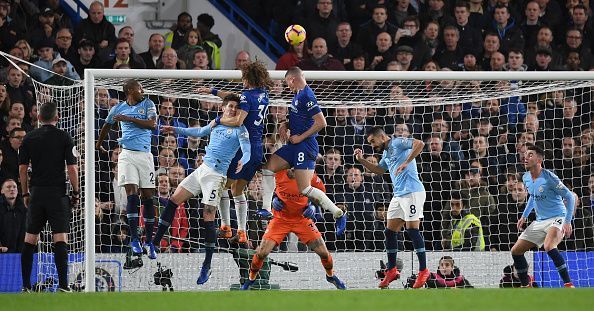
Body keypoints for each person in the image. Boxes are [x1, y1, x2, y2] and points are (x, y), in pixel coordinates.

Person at [151, 94, 251, 285]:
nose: (232, 109)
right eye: (229, 106)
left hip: (216, 176)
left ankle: (207, 265)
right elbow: (198, 132)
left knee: (208, 216)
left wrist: (242, 161)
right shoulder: (216, 123)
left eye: (235, 107)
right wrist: (175, 129)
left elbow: (247, 151)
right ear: (223, 108)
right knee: (173, 200)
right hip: (202, 170)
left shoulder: (241, 129)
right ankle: (154, 243)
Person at [260, 67, 344, 231]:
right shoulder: (298, 95)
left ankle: (338, 213)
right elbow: (301, 118)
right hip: (294, 145)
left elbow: (321, 123)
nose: (287, 86)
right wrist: (286, 123)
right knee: (268, 168)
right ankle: (266, 209)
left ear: (292, 79)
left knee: (304, 189)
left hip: (305, 146)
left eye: (287, 83)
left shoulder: (307, 95)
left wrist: (300, 137)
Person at [198, 61, 273, 243]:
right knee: (237, 189)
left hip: (242, 149)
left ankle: (225, 227)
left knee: (223, 186)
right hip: (256, 150)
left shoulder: (247, 96)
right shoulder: (263, 94)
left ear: (248, 78)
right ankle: (241, 232)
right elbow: (236, 97)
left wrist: (218, 121)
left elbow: (239, 121)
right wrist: (213, 91)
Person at [240, 168, 346, 290]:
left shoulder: (311, 176)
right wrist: (274, 198)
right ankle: (251, 279)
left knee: (324, 253)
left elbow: (321, 197)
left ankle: (330, 276)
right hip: (280, 219)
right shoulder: (278, 172)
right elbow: (268, 188)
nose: (291, 170)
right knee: (261, 253)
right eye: (289, 166)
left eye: (294, 168)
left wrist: (313, 207)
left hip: (301, 219)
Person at [354, 126, 429, 289]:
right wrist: (361, 160)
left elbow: (420, 143)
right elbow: (379, 170)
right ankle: (392, 270)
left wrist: (406, 162)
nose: (372, 145)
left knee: (412, 230)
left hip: (412, 192)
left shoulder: (397, 142)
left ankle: (424, 270)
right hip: (399, 195)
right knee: (389, 231)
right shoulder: (386, 153)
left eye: (373, 141)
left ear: (381, 137)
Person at [19, 102, 79, 292]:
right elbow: (72, 168)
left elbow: (22, 169)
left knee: (30, 239)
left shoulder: (28, 138)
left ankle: (26, 286)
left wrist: (25, 192)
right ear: (57, 117)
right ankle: (63, 285)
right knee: (60, 238)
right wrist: (76, 191)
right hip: (57, 193)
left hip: (36, 193)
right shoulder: (64, 137)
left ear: (38, 118)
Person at [95, 79, 158, 258]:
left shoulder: (148, 103)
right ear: (131, 90)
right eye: (140, 87)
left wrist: (128, 118)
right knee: (131, 192)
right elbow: (107, 125)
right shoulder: (119, 108)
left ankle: (150, 241)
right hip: (127, 155)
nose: (143, 90)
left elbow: (152, 125)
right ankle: (134, 239)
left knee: (147, 197)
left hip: (145, 156)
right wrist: (98, 145)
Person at [511, 144, 576, 288]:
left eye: (530, 155)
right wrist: (524, 216)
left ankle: (568, 284)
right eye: (525, 154)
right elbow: (533, 197)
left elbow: (570, 197)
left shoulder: (550, 177)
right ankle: (525, 285)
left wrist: (567, 221)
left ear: (539, 159)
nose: (525, 157)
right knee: (516, 251)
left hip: (557, 216)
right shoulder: (526, 177)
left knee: (548, 246)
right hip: (540, 220)